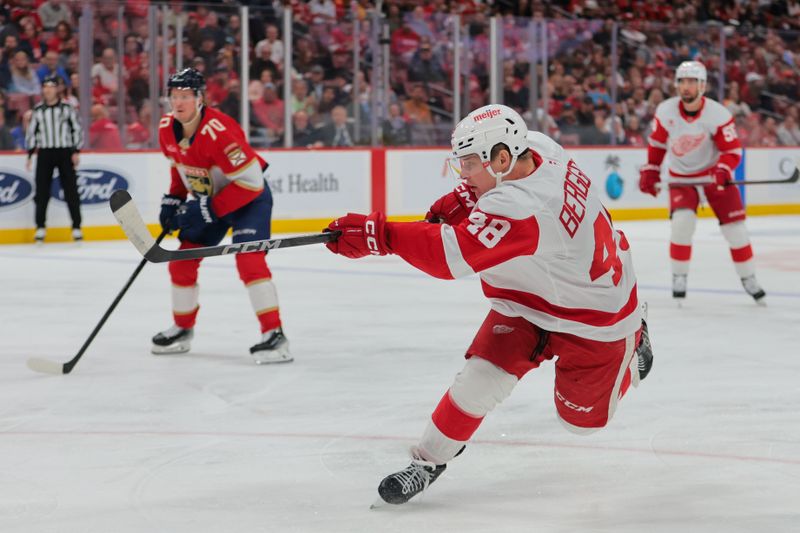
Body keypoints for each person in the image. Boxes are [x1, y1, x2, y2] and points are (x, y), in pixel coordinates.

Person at [324, 104, 653, 505]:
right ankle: (428, 461)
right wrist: (464, 195)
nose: (463, 174)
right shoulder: (538, 146)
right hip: (529, 298)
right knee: (477, 381)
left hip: (595, 319)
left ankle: (636, 336)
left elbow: (450, 258)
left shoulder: (522, 206)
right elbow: (489, 196)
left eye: (469, 164)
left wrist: (380, 235)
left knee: (581, 423)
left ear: (501, 157)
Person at [152, 68, 291, 365]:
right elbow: (181, 166)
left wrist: (205, 209)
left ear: (200, 99)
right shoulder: (166, 127)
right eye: (174, 96)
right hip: (212, 202)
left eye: (186, 96)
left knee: (249, 261)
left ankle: (275, 335)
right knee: (182, 262)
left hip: (248, 202)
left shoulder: (220, 131)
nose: (179, 103)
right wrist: (173, 199)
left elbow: (252, 183)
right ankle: (182, 330)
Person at [639, 61, 766, 304]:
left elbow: (732, 151)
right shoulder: (666, 111)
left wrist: (723, 168)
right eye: (682, 82)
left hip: (712, 177)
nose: (686, 87)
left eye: (691, 82)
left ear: (703, 85)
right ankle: (679, 276)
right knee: (682, 224)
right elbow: (657, 145)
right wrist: (651, 171)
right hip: (681, 178)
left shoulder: (718, 114)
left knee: (736, 231)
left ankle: (748, 277)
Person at [25, 74, 83, 242]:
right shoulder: (37, 110)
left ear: (57, 89)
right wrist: (29, 155)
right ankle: (40, 226)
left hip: (64, 152)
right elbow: (32, 133)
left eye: (51, 86)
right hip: (45, 153)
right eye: (45, 86)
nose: (48, 90)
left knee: (71, 190)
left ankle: (76, 226)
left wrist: (76, 151)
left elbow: (76, 129)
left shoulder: (67, 108)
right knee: (42, 191)